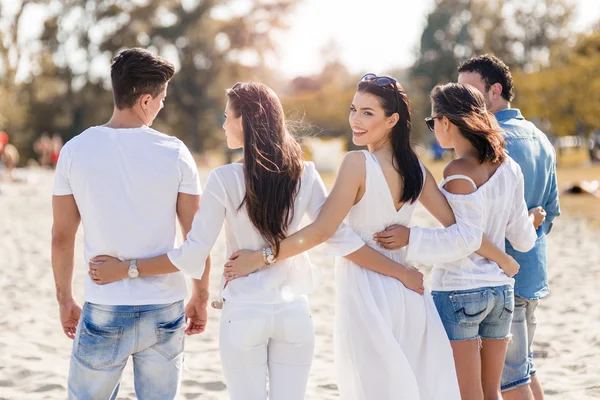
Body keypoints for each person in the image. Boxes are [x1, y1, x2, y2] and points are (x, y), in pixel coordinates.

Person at [88, 81, 432, 400]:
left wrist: (128, 269)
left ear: (244, 122)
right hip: (295, 313)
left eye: (227, 117)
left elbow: (192, 255)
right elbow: (335, 235)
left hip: (244, 313)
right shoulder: (305, 173)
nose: (223, 125)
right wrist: (398, 271)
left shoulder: (224, 179)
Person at [223, 75, 520, 399]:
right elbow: (464, 232)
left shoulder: (357, 163)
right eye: (354, 110)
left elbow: (325, 230)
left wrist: (263, 256)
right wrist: (496, 257)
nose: (355, 120)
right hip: (408, 293)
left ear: (392, 120)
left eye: (368, 113)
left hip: (367, 291)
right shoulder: (416, 168)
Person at [51, 47, 210, 399]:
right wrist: (200, 296)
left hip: (105, 306)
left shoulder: (74, 151)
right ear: (146, 100)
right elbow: (197, 237)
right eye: (162, 99)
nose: (162, 107)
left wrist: (65, 300)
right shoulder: (176, 152)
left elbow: (62, 237)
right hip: (165, 308)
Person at [372, 82, 542, 399]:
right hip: (501, 293)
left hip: (460, 292)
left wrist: (411, 238)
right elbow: (522, 240)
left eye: (432, 121)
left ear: (446, 122)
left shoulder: (458, 171)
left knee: (467, 394)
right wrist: (533, 221)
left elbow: (462, 239)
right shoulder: (510, 168)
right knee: (491, 392)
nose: (433, 127)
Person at [458, 54, 561, 400]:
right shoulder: (541, 138)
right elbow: (550, 212)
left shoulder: (491, 141)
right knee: (523, 367)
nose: (462, 101)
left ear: (495, 90)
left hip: (500, 274)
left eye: (469, 91)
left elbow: (479, 219)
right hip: (533, 272)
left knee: (511, 379)